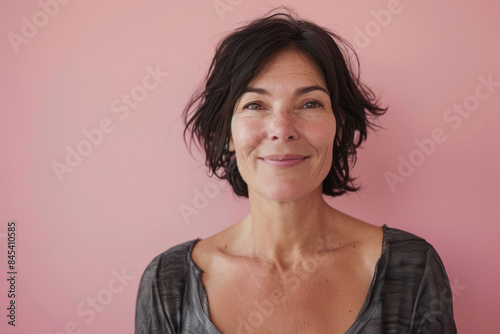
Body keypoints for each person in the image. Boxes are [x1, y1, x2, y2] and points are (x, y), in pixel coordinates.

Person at [135, 11, 457, 334]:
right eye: (255, 105)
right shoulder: (168, 283)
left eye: (309, 104)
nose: (282, 129)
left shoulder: (412, 270)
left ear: (339, 127)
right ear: (228, 134)